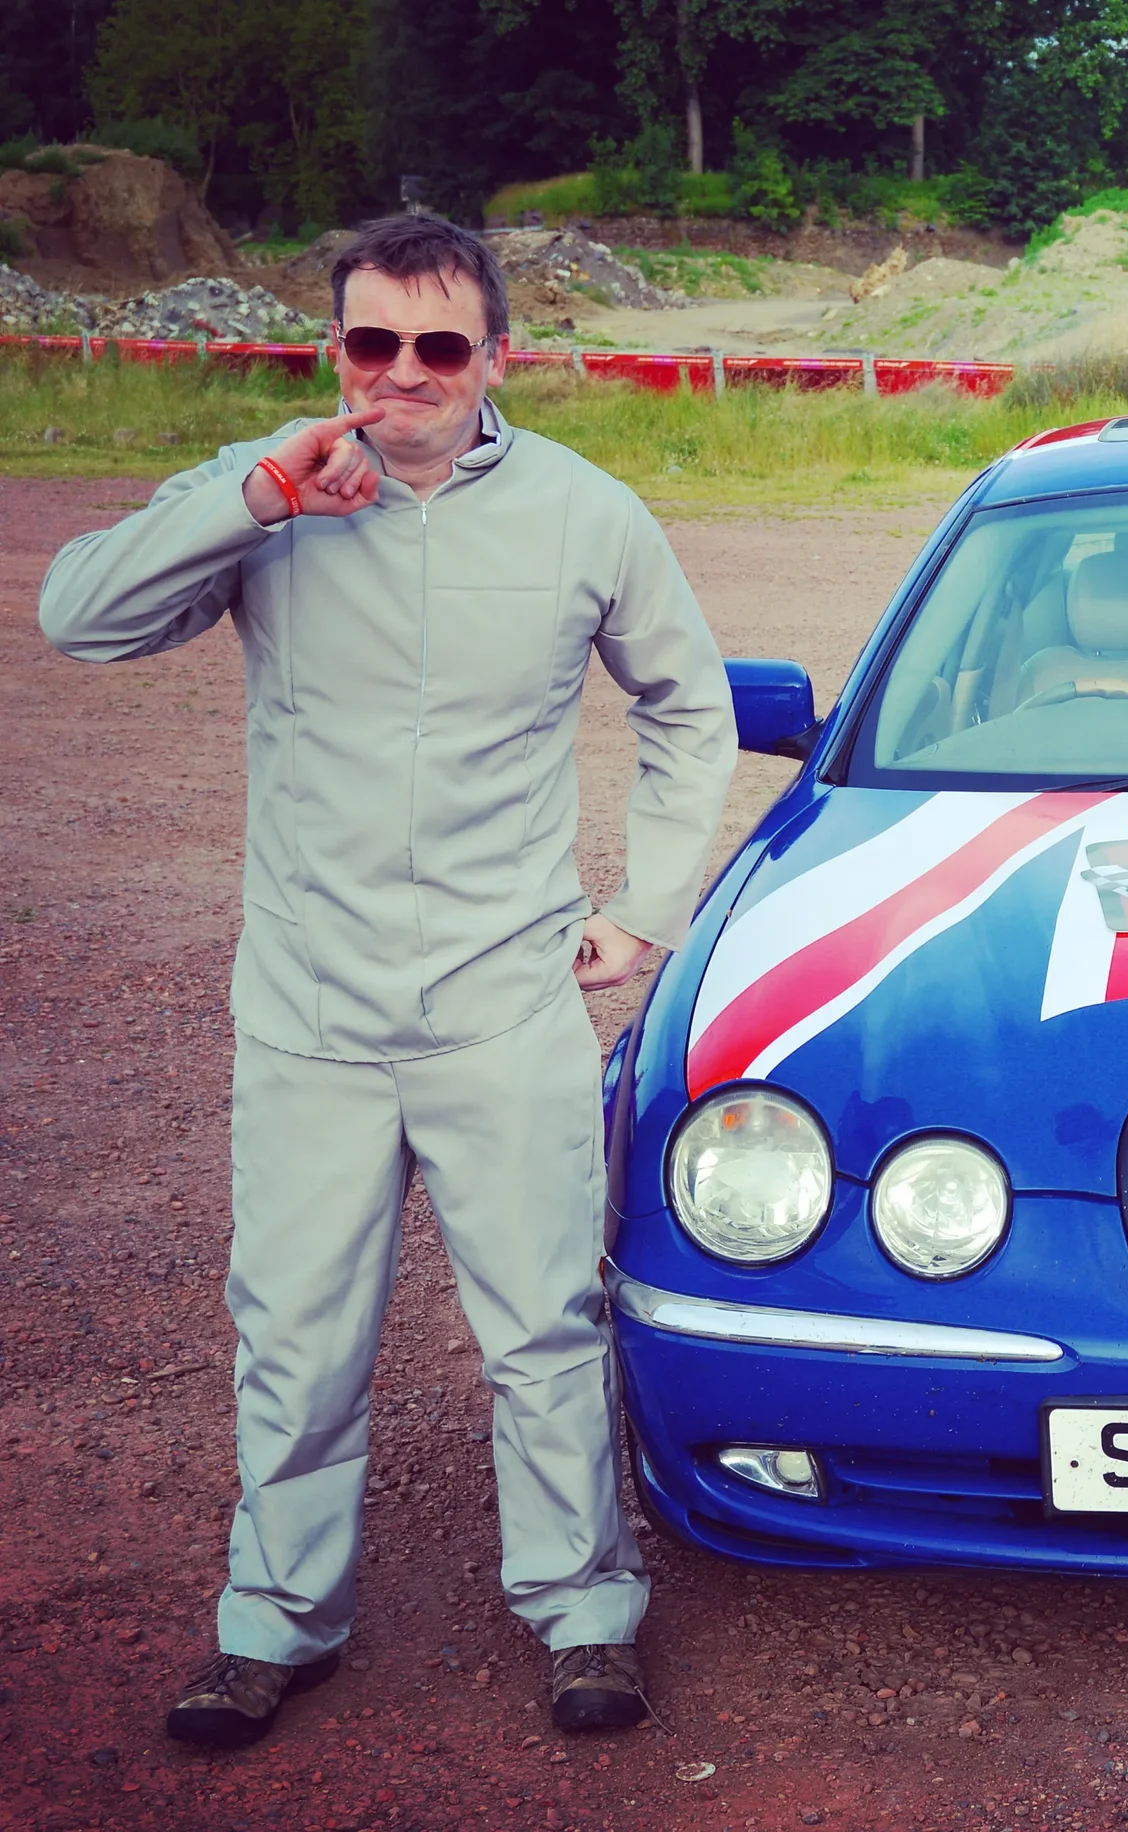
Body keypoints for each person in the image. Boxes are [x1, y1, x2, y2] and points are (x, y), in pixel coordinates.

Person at [40, 216, 738, 1748]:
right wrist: (257, 495)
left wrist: (648, 909)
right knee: (294, 1332)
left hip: (502, 1002)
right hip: (310, 1009)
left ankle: (583, 1614)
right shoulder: (270, 491)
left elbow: (692, 707)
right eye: (372, 343)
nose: (403, 374)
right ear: (334, 352)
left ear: (500, 357)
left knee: (547, 1328)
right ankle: (275, 1622)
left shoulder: (588, 514)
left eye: (439, 345)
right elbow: (77, 617)